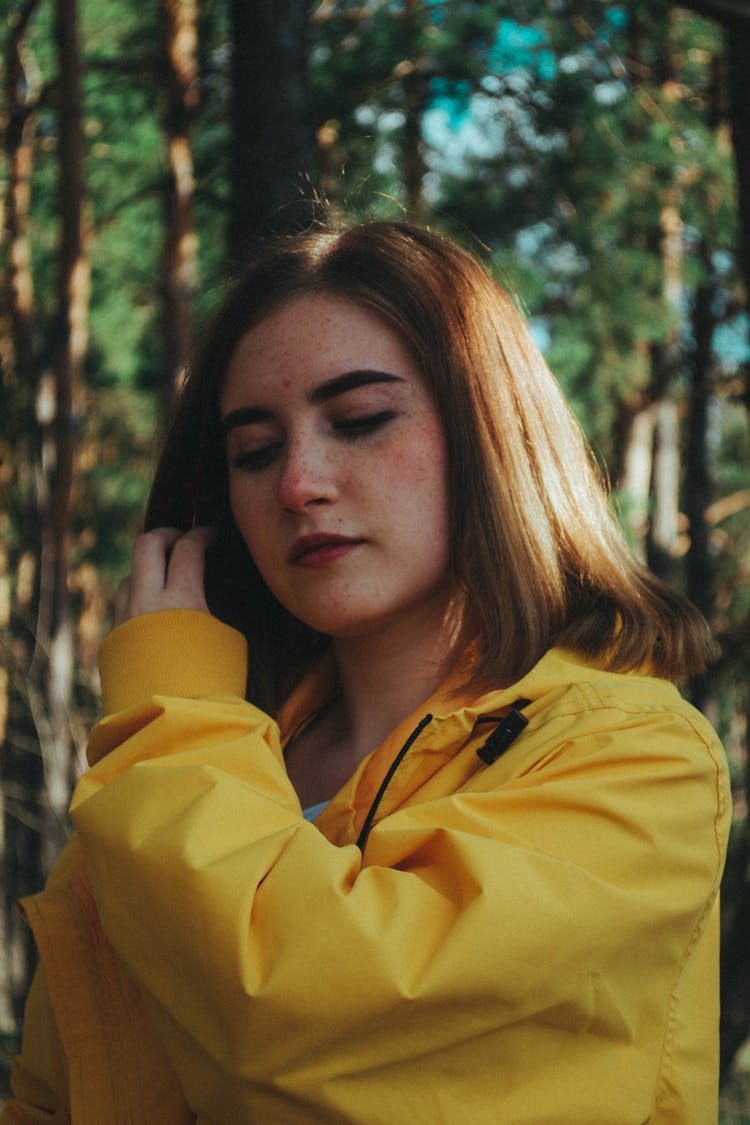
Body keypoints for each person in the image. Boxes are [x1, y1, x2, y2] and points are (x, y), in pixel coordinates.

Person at [4, 221, 730, 1124]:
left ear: (490, 434)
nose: (299, 483)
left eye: (360, 420)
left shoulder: (633, 757)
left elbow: (288, 1025)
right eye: (255, 450)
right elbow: (52, 1095)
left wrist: (173, 711)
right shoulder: (186, 762)